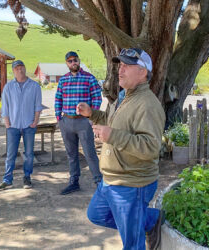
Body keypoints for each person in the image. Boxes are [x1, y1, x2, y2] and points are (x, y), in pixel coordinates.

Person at [76, 48, 166, 250]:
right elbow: (112, 122)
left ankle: (143, 222)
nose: (120, 70)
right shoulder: (124, 96)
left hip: (131, 184)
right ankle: (151, 220)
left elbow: (151, 147)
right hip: (111, 179)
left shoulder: (148, 104)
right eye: (120, 65)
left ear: (143, 73)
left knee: (132, 245)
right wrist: (92, 114)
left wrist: (112, 136)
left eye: (127, 65)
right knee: (96, 215)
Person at [55, 51, 103, 195]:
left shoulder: (89, 78)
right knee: (71, 154)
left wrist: (91, 117)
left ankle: (99, 183)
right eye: (69, 61)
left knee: (89, 153)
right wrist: (59, 118)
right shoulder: (63, 80)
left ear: (79, 61)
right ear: (66, 63)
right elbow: (58, 99)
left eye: (75, 60)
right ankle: (73, 182)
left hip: (83, 122)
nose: (73, 63)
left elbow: (97, 98)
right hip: (67, 122)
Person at [0, 60, 42, 191]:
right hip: (13, 125)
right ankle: (7, 180)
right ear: (13, 71)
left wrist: (36, 121)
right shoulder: (8, 87)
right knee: (11, 154)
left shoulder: (34, 86)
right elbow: (5, 106)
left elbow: (38, 105)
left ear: (25, 69)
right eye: (17, 68)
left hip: (29, 125)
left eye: (21, 67)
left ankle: (27, 177)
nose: (20, 70)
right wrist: (7, 122)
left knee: (29, 153)